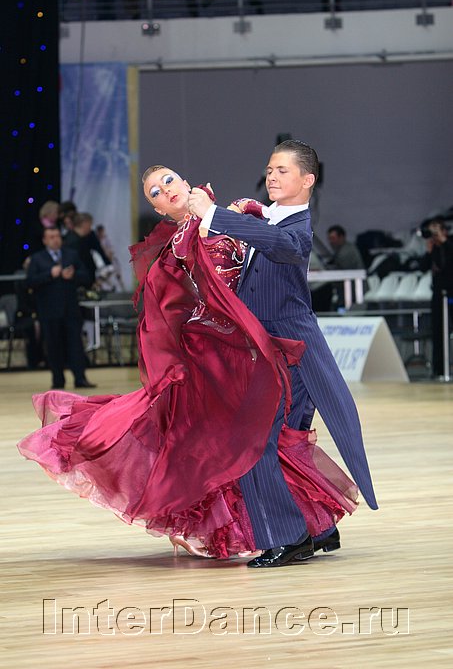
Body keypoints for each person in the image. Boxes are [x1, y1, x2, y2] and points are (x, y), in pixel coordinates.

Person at [18, 165, 358, 561]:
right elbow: (174, 310)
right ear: (159, 210)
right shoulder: (176, 247)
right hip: (217, 358)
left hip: (270, 345)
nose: (165, 190)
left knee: (263, 441)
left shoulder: (243, 210)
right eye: (155, 193)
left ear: (185, 182)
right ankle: (313, 527)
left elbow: (283, 253)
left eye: (168, 181)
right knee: (242, 444)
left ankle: (307, 528)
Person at [188, 139, 378, 568]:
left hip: (292, 357)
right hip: (275, 354)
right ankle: (317, 526)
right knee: (283, 443)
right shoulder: (266, 218)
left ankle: (287, 536)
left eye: (282, 171)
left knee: (254, 441)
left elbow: (278, 243)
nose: (272, 176)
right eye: (270, 169)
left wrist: (214, 215)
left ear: (307, 180)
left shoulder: (297, 230)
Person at [26, 227, 96, 389]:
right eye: (51, 237)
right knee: (53, 346)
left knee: (75, 345)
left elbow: (86, 276)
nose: (55, 239)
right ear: (45, 240)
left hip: (70, 309)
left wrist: (73, 275)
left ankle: (80, 378)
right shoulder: (37, 258)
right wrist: (50, 274)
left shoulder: (71, 255)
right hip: (49, 311)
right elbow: (30, 282)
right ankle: (58, 380)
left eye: (57, 236)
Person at [419, 217, 453, 378]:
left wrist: (444, 241)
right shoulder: (433, 248)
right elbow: (422, 267)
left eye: (437, 230)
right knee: (438, 332)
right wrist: (429, 251)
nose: (434, 235)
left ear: (444, 231)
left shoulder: (450, 245)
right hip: (438, 295)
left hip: (451, 293)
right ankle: (439, 369)